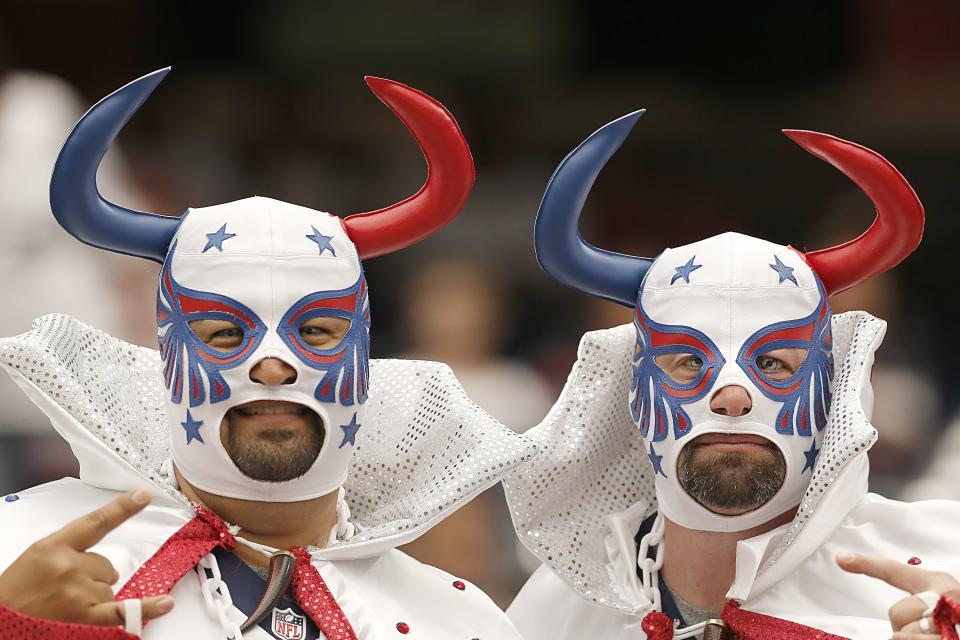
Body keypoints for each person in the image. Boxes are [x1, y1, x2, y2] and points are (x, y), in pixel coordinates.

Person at [0, 69, 534, 639]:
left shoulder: (454, 621)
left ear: (365, 355)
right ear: (165, 353)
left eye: (318, 331)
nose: (273, 365)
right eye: (226, 333)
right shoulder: (25, 549)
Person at [503, 110, 960, 639]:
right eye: (689, 363)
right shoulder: (553, 615)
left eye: (772, 363)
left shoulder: (941, 569)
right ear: (633, 392)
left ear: (833, 389)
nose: (732, 397)